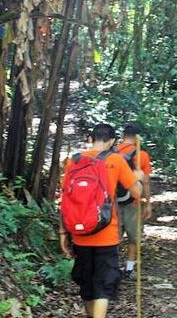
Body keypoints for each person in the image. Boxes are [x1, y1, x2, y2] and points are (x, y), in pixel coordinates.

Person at [59, 123, 144, 318]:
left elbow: (64, 200)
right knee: (104, 285)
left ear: (91, 139)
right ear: (113, 140)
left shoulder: (74, 161)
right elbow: (137, 192)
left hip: (79, 234)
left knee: (87, 284)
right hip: (106, 232)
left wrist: (63, 233)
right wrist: (138, 177)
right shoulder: (116, 160)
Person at [115, 122, 152, 280]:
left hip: (112, 202)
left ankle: (112, 268)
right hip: (133, 202)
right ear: (137, 138)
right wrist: (148, 203)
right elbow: (145, 181)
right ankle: (129, 270)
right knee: (133, 238)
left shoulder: (112, 152)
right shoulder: (142, 155)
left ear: (123, 136)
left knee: (113, 238)